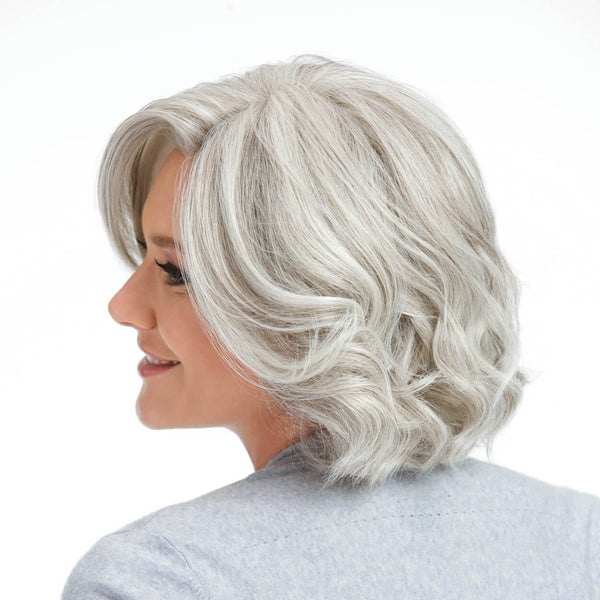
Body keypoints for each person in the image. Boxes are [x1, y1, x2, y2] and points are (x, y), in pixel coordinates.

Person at [62, 54, 600, 598]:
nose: (122, 306)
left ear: (313, 302)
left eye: (175, 271)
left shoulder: (157, 579)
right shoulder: (583, 539)